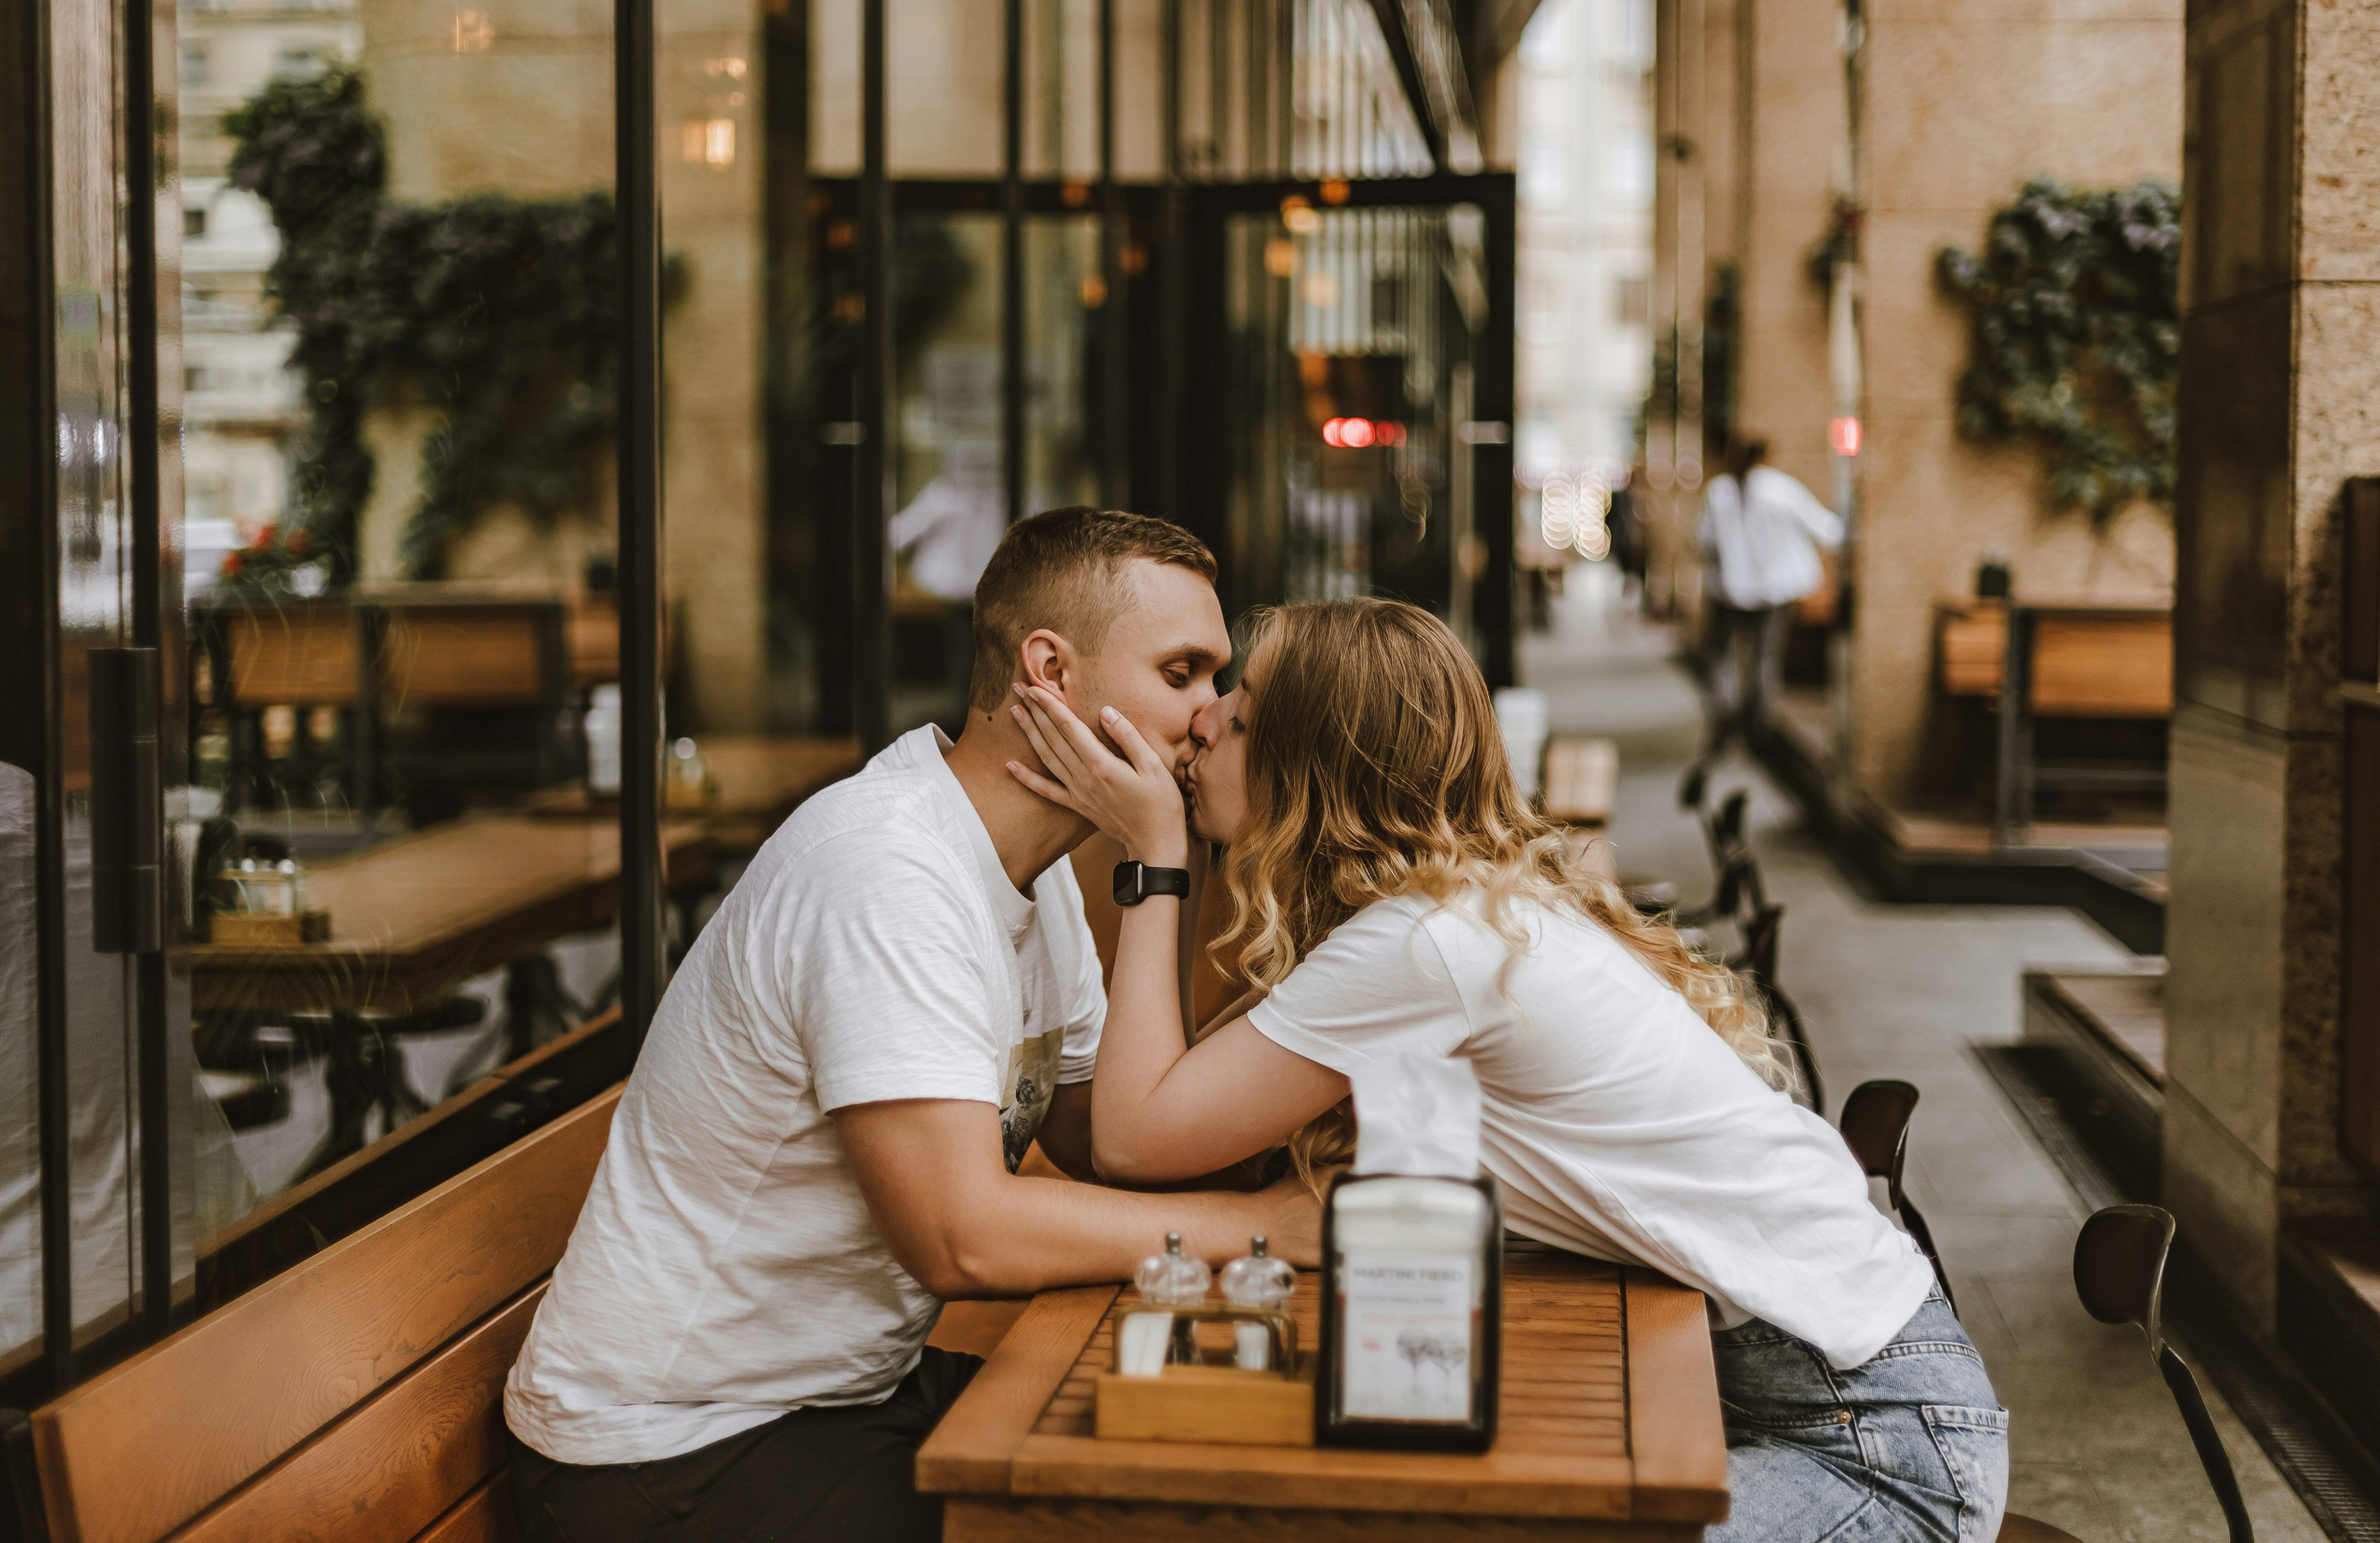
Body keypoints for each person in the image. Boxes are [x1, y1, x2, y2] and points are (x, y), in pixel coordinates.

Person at [1004, 597, 2007, 1543]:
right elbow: (1188, 1122)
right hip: (1829, 1383)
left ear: (1313, 762)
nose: (1201, 724)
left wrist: (1156, 858)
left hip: (1878, 1448)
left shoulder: (1424, 943)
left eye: (1243, 708)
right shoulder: (1441, 914)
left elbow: (1134, 1140)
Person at [502, 508, 1320, 1543]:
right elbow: (959, 1234)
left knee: (1193, 1474)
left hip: (833, 1393)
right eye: (1181, 672)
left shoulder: (1034, 869)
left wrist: (1296, 947)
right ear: (1049, 669)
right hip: (665, 1446)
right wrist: (1268, 1229)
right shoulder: (885, 868)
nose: (1210, 714)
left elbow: (1115, 1144)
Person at [1697, 437, 1843, 746]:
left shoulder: (1718, 491)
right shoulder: (1782, 489)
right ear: (1767, 457)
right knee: (1765, 658)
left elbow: (1704, 541)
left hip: (1727, 590)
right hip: (1773, 593)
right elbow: (1828, 530)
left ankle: (1725, 715)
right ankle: (1757, 724)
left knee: (1721, 656)